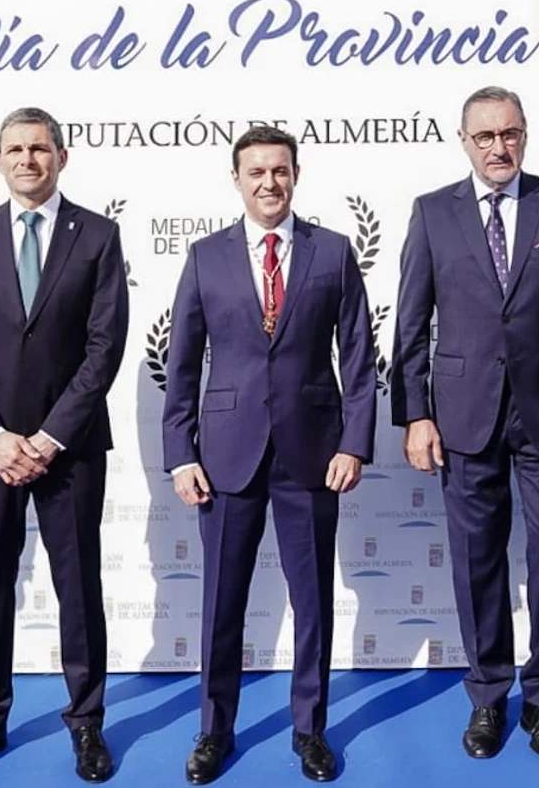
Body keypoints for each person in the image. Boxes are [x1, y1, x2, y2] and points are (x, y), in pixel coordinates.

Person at [389, 85, 539, 763]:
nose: (498, 147)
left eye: (509, 133)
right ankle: (488, 693)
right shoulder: (432, 213)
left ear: (525, 134)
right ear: (463, 140)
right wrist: (416, 413)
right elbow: (410, 324)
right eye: (484, 136)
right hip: (463, 415)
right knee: (476, 559)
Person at [162, 125, 377, 784]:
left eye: (279, 170)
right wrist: (179, 453)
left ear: (296, 174)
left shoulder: (334, 252)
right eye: (255, 171)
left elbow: (362, 360)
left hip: (311, 454)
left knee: (312, 600)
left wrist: (354, 442)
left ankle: (310, 730)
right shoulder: (205, 257)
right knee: (222, 601)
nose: (269, 182)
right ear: (237, 178)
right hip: (225, 457)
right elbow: (181, 368)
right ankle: (213, 729)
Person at [0, 107, 131, 783]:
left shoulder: (98, 235)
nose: (28, 159)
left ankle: (86, 723)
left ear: (62, 156)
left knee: (78, 585)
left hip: (69, 447)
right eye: (15, 149)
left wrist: (48, 437)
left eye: (39, 148)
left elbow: (104, 348)